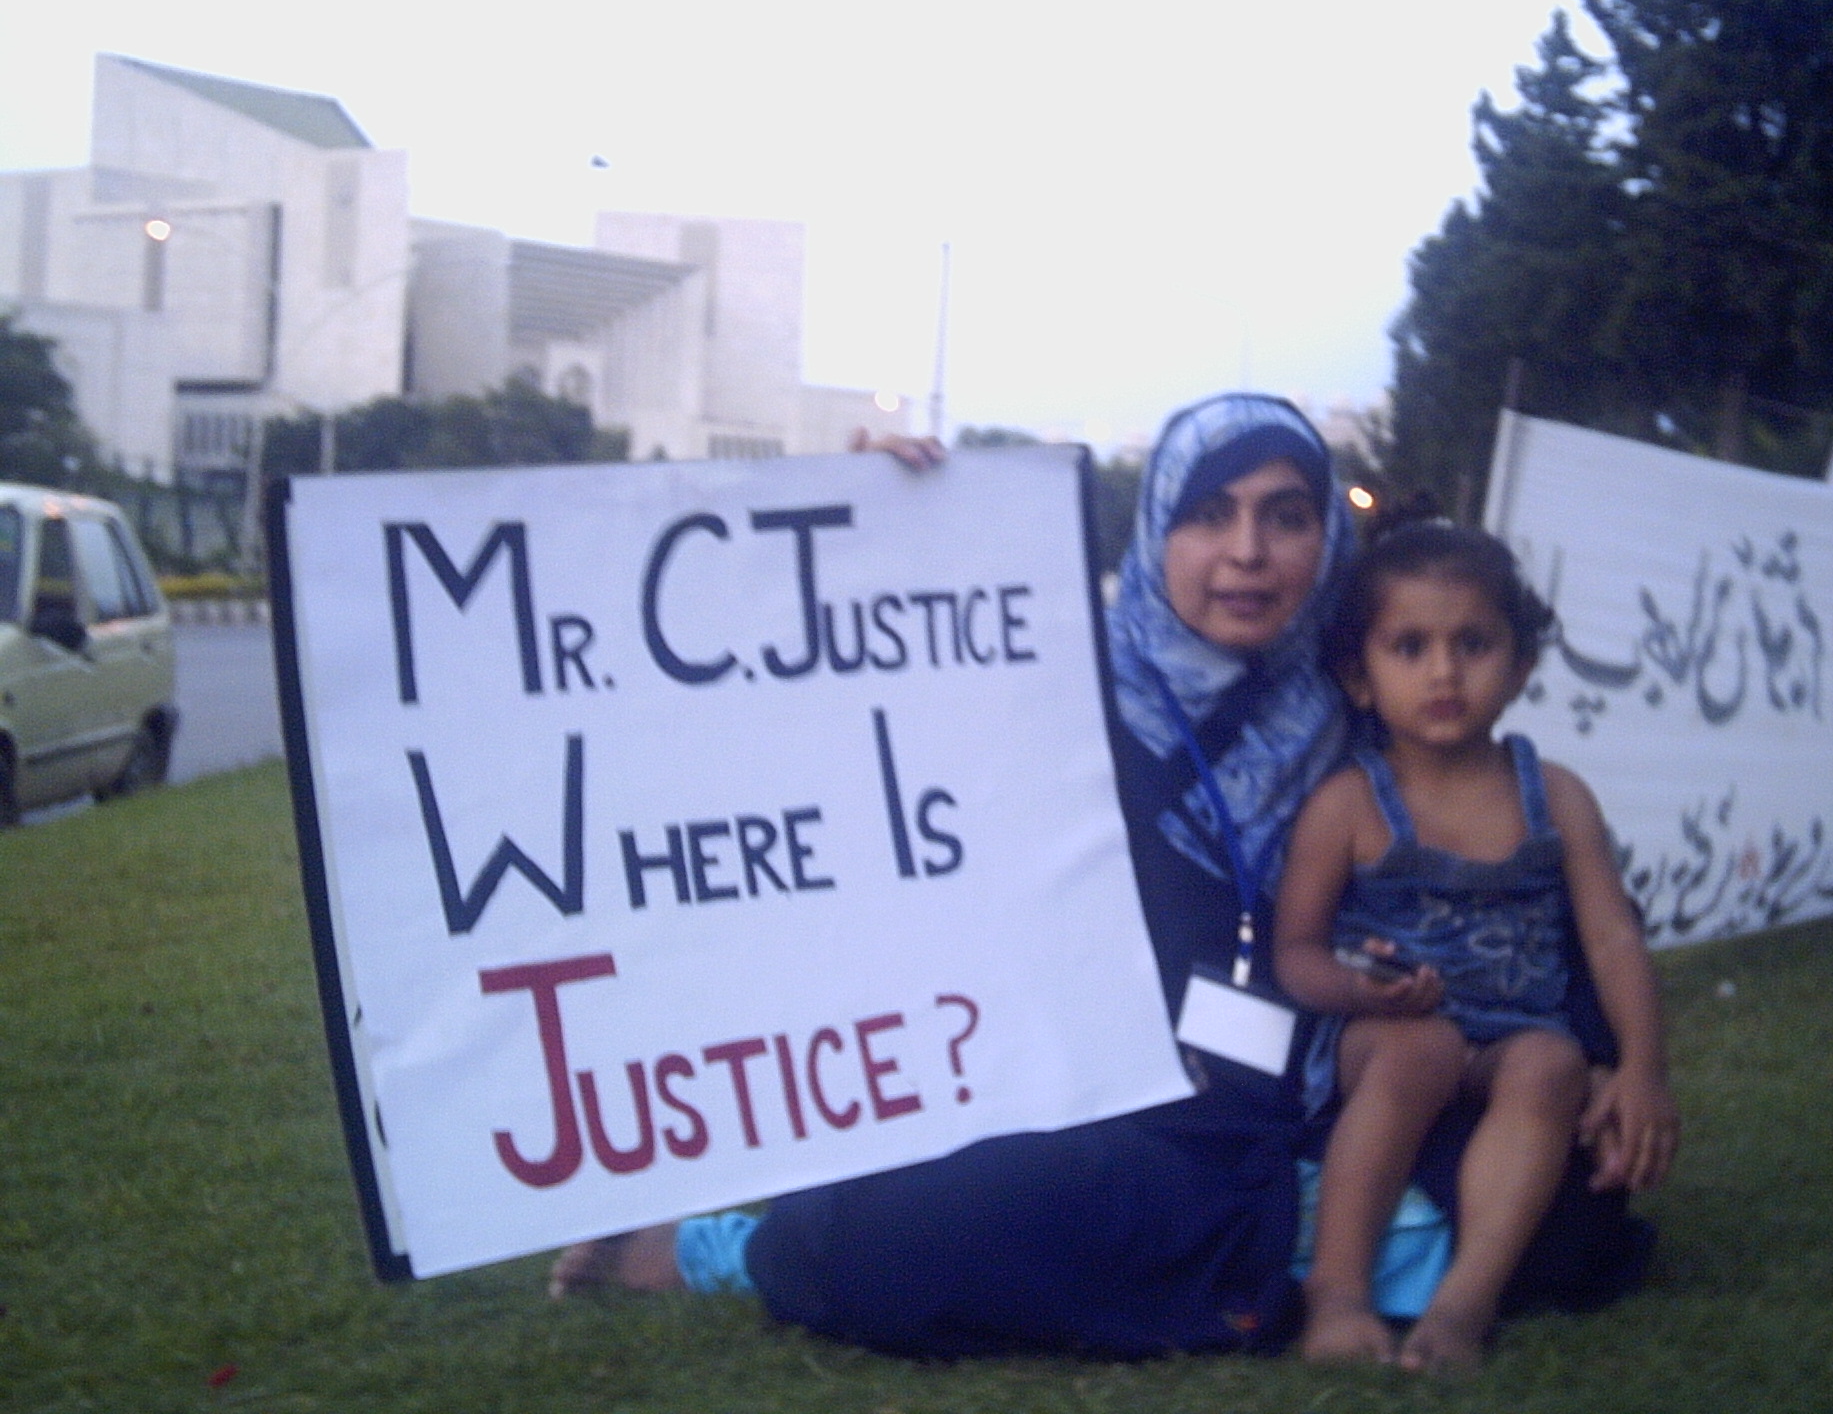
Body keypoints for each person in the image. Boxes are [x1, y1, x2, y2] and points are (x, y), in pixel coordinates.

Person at [552, 402, 1656, 1359]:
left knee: (1578, 1223)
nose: (1248, 552)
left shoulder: (1370, 693)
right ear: (1157, 527)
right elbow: (845, 713)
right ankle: (715, 1249)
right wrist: (866, 527)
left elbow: (1527, 903)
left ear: (1325, 538)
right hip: (1118, 1102)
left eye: (1285, 516)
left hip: (1333, 1092)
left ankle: (1299, 1249)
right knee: (904, 1241)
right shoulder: (1051, 675)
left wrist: (1606, 1060)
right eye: (1209, 514)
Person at [1273, 514, 1679, 1373]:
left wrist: (1643, 1067)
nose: (1444, 671)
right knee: (1420, 1050)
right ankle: (1337, 1297)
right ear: (1359, 676)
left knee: (1552, 1064)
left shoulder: (1557, 797)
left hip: (1512, 1034)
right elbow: (1296, 954)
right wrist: (1357, 992)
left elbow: (1612, 939)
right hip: (1380, 1034)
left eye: (1474, 644)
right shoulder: (1347, 806)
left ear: (1522, 664)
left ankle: (1463, 1306)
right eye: (1409, 647)